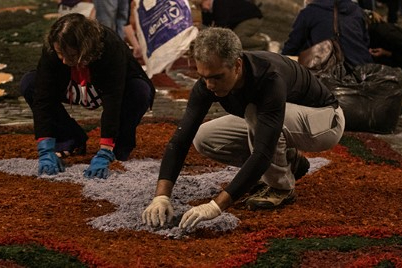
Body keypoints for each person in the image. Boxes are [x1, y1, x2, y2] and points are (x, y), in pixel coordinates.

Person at [142, 27, 345, 229]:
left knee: (255, 114)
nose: (210, 84)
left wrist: (216, 205)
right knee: (204, 137)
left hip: (325, 121)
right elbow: (181, 139)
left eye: (217, 77)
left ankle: (280, 188)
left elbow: (263, 152)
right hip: (282, 119)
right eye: (204, 76)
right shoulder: (209, 82)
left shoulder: (269, 78)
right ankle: (290, 161)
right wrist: (161, 196)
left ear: (237, 65)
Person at [20, 13, 155, 178]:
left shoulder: (111, 46)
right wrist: (45, 148)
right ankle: (69, 138)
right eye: (59, 54)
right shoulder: (53, 48)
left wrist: (106, 149)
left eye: (69, 55)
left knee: (140, 90)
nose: (62, 60)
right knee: (30, 84)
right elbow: (43, 95)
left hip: (108, 88)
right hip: (72, 86)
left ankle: (119, 146)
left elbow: (113, 99)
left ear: (84, 49)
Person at [282, 0, 373, 67]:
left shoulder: (311, 11)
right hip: (363, 70)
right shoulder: (357, 11)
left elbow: (292, 46)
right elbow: (366, 42)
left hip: (332, 75)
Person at [194, 0, 270, 51]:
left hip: (251, 18)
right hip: (239, 20)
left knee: (237, 39)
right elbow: (207, 25)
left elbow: (221, 26)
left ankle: (263, 44)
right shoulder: (207, 9)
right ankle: (256, 39)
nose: (201, 8)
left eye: (200, 5)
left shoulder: (219, 3)